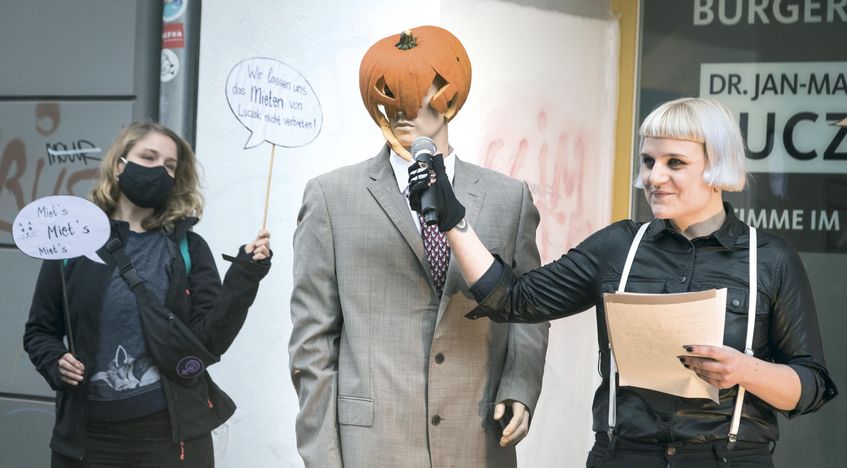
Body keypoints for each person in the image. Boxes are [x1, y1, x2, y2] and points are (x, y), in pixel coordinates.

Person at [409, 97, 838, 467]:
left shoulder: (771, 259)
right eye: (649, 161)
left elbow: (811, 387)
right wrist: (452, 219)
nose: (654, 177)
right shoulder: (618, 246)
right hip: (624, 456)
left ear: (717, 167)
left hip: (729, 459)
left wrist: (744, 370)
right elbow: (513, 299)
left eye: (675, 163)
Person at [289, 25, 549, 468]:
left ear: (450, 94)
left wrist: (519, 387)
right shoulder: (331, 197)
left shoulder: (509, 199)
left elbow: (530, 309)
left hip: (477, 439)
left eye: (415, 90)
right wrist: (322, 457)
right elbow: (312, 342)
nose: (400, 108)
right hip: (373, 446)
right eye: (387, 92)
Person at [24, 121, 272, 467]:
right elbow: (39, 331)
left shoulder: (188, 248)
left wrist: (245, 275)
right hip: (88, 438)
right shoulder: (73, 243)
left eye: (170, 165)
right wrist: (55, 360)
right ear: (119, 164)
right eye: (148, 157)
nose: (159, 170)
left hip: (170, 437)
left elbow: (210, 340)